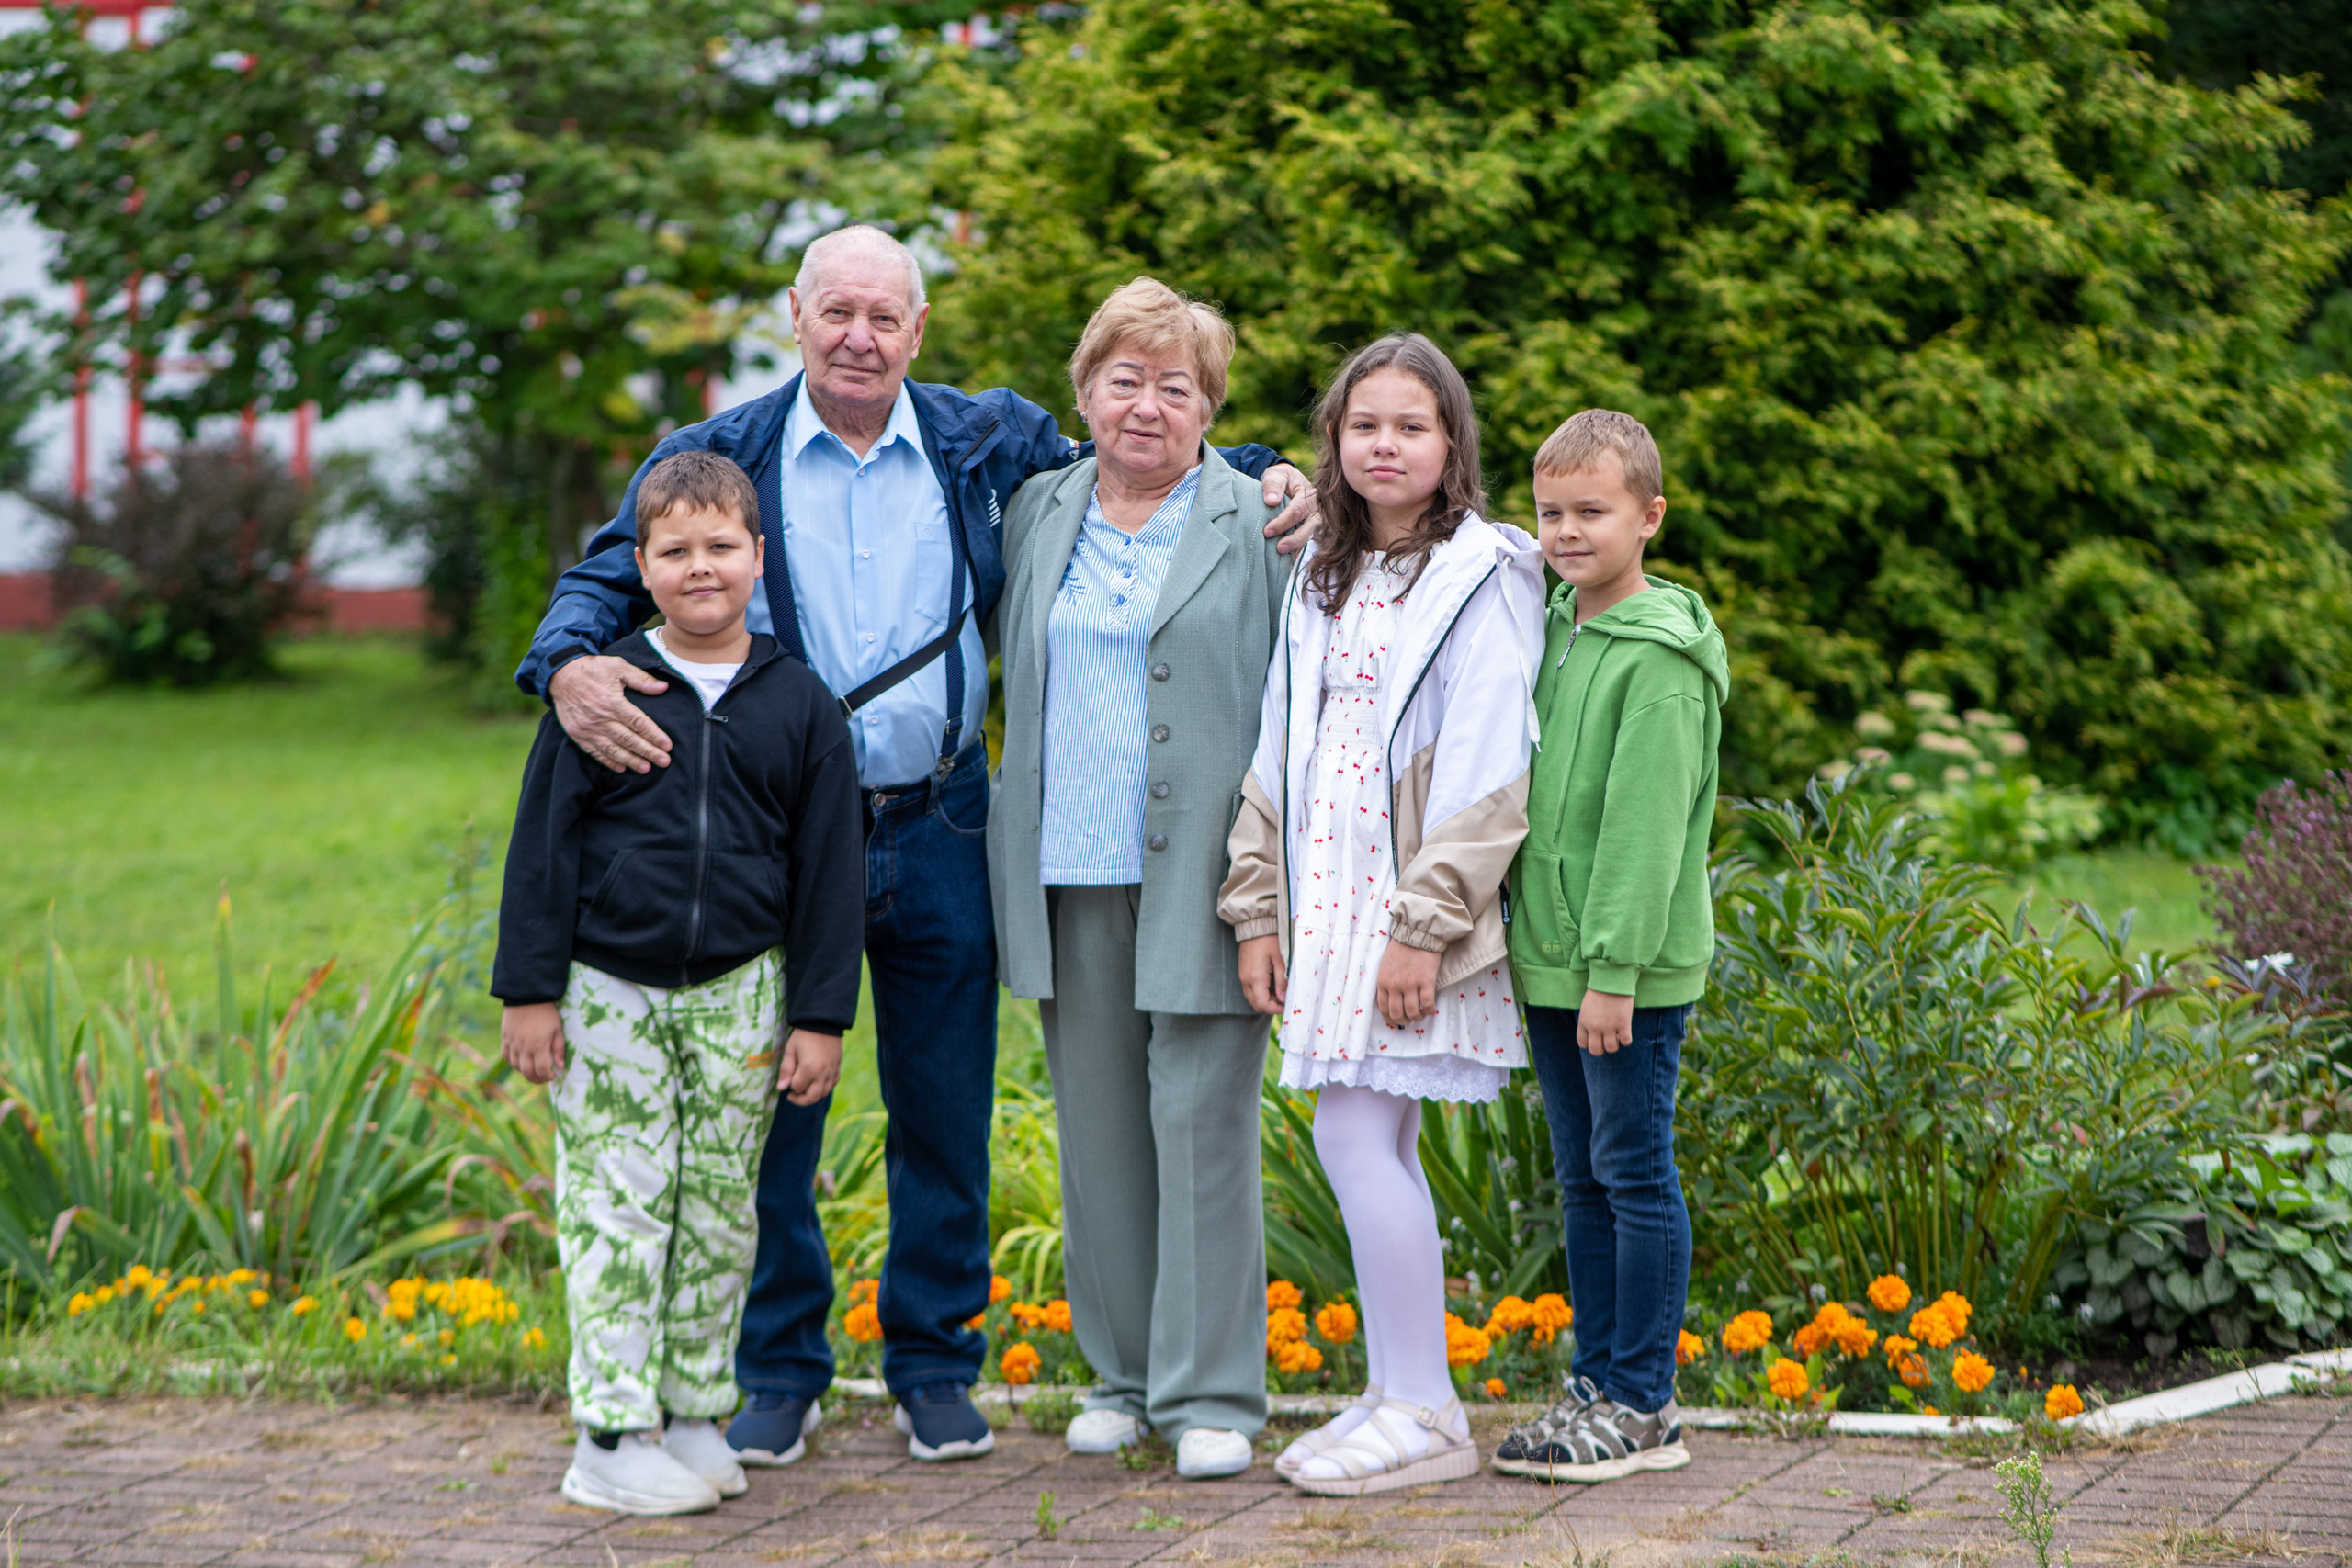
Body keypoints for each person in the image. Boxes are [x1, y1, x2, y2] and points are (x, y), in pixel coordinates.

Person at [512, 226, 1317, 1465]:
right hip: (782, 839)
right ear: (797, 315)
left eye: (884, 317)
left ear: (918, 330)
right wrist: (565, 662)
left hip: (944, 817)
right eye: (837, 311)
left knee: (944, 1106)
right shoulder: (719, 454)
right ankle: (779, 1369)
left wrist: (1272, 473)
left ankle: (935, 1362)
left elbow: (1148, 446)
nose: (859, 337)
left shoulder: (979, 437)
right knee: (773, 1103)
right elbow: (612, 567)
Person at [492, 450, 863, 1517]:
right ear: (640, 567)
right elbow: (542, 849)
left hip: (743, 995)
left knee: (717, 1211)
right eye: (674, 551)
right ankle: (609, 1433)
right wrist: (530, 991)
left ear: (758, 556)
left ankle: (694, 1412)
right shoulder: (602, 690)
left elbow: (829, 876)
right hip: (608, 992)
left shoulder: (800, 705)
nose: (700, 568)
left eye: (720, 547)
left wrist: (820, 1017)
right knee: (621, 1205)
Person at [1220, 333, 1546, 1497]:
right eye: (1364, 426)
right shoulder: (1325, 571)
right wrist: (1255, 907)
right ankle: (1391, 1390)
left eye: (1410, 425)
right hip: (1325, 897)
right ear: (1335, 442)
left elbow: (1488, 764)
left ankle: (1424, 1407)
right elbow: (1276, 747)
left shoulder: (1487, 571)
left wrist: (1426, 927)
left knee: (1356, 1137)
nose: (1385, 445)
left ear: (1451, 442)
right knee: (1372, 1137)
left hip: (1410, 908)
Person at [986, 278, 1290, 1481]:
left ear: (1212, 404)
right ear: (1085, 390)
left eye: (1177, 384)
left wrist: (1273, 889)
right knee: (1101, 1128)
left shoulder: (1259, 519)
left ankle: (1212, 1389)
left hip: (1214, 878)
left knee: (1204, 1123)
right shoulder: (1031, 509)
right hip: (1069, 865)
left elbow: (1294, 712)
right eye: (1126, 378)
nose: (1149, 404)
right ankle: (1118, 1376)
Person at [1488, 410, 1728, 1483]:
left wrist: (1613, 975)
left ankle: (1641, 1404)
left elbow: (1641, 833)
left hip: (1619, 976)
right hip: (1554, 963)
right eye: (1550, 512)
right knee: (1581, 1178)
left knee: (1633, 1172)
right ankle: (1597, 1383)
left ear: (1650, 517)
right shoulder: (1557, 628)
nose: (1567, 531)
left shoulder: (1662, 664)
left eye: (1593, 511)